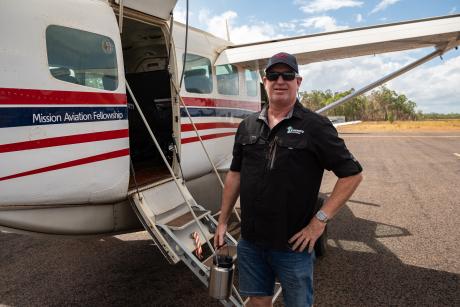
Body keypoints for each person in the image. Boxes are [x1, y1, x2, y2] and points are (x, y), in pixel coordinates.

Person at [214, 52, 363, 307]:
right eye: (273, 75)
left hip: (293, 245)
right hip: (251, 241)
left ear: (298, 81)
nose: (280, 80)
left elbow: (352, 174)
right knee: (258, 301)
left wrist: (319, 222)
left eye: (287, 75)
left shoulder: (316, 126)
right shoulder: (247, 126)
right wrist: (223, 221)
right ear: (264, 81)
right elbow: (235, 175)